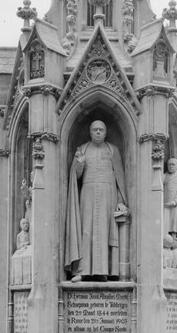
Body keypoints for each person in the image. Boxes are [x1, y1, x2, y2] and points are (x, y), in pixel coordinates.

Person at [65, 120, 128, 282]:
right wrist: (79, 164)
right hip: (88, 192)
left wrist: (121, 200)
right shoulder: (82, 149)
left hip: (108, 193)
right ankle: (82, 270)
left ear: (106, 133)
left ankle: (105, 270)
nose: (98, 132)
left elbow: (119, 177)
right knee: (86, 230)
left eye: (101, 129)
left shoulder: (113, 150)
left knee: (106, 231)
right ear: (90, 132)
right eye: (95, 130)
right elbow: (76, 176)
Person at [163, 158, 177, 237]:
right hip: (165, 203)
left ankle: (173, 239)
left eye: (173, 165)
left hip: (173, 205)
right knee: (165, 223)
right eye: (169, 165)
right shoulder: (164, 175)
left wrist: (175, 201)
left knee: (173, 225)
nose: (171, 166)